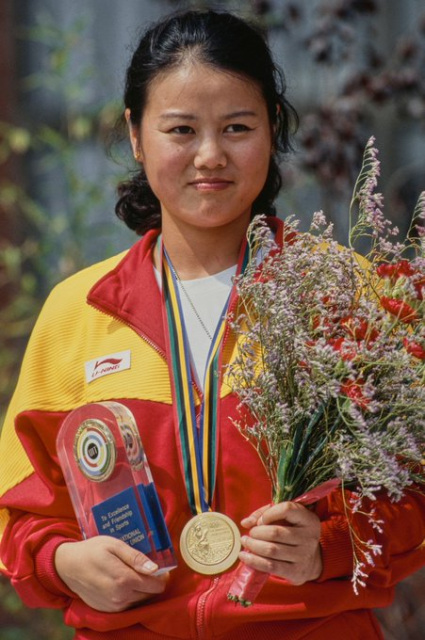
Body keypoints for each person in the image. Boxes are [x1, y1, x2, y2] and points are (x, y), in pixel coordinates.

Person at [0, 9, 423, 640]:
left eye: (237, 127)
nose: (209, 156)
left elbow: (412, 492)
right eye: (180, 129)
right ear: (136, 135)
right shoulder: (77, 311)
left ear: (273, 128)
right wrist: (64, 562)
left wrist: (326, 550)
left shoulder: (347, 294)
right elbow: (22, 513)